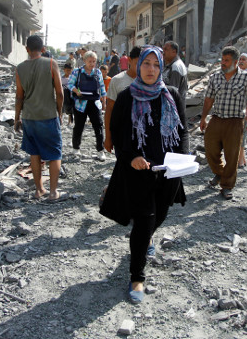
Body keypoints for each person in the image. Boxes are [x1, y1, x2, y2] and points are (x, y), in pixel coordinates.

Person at [100, 46, 188, 304]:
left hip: (168, 171)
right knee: (143, 220)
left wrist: (182, 157)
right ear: (139, 67)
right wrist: (131, 158)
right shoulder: (128, 96)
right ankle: (137, 276)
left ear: (162, 68)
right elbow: (117, 132)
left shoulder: (170, 94)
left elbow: (182, 130)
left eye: (156, 65)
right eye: (146, 64)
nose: (151, 69)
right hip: (138, 171)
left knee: (158, 216)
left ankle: (146, 235)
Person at [200, 46, 247, 200]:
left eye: (226, 60)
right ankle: (219, 173)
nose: (223, 63)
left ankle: (227, 186)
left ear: (236, 62)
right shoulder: (215, 77)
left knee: (232, 155)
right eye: (222, 60)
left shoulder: (246, 78)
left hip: (235, 121)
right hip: (217, 119)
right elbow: (209, 99)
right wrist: (203, 117)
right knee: (210, 149)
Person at [14, 35, 64, 200]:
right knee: (55, 153)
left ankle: (39, 190)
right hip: (48, 116)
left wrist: (17, 118)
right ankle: (53, 192)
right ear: (43, 49)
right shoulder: (51, 63)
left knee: (34, 153)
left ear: (27, 49)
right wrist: (60, 114)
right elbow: (59, 93)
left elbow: (19, 97)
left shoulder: (20, 68)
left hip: (29, 117)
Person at [68, 50, 107, 160]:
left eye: (94, 61)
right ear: (84, 60)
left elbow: (102, 87)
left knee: (98, 126)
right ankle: (76, 149)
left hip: (94, 103)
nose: (92, 63)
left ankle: (100, 150)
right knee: (79, 126)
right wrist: (76, 91)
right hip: (80, 103)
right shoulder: (77, 72)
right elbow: (70, 84)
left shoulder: (98, 72)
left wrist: (104, 102)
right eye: (90, 61)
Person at [104, 46, 141, 154]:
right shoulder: (117, 80)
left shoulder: (150, 83)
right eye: (138, 62)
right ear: (129, 60)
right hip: (122, 135)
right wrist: (108, 137)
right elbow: (110, 109)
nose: (142, 67)